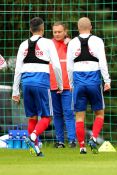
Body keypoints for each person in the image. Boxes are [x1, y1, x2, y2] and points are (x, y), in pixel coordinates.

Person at [12, 17, 63, 157]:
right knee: (47, 116)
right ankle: (33, 136)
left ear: (30, 29)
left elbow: (18, 69)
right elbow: (57, 66)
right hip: (41, 82)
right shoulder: (48, 43)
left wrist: (15, 91)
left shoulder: (23, 45)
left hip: (26, 82)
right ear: (43, 29)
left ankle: (36, 150)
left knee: (32, 117)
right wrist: (60, 84)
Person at [67, 17, 111, 154]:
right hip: (94, 80)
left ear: (78, 28)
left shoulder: (73, 42)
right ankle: (93, 137)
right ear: (91, 27)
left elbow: (69, 66)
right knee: (99, 113)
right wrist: (107, 80)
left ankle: (82, 146)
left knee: (79, 116)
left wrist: (70, 83)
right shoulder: (97, 41)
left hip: (78, 80)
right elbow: (103, 62)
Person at [50, 22, 76, 148]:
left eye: (59, 32)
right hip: (53, 85)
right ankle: (60, 141)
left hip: (67, 86)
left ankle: (72, 140)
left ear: (65, 32)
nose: (57, 34)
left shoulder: (72, 44)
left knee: (69, 113)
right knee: (57, 114)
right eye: (55, 32)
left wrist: (71, 44)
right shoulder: (49, 45)